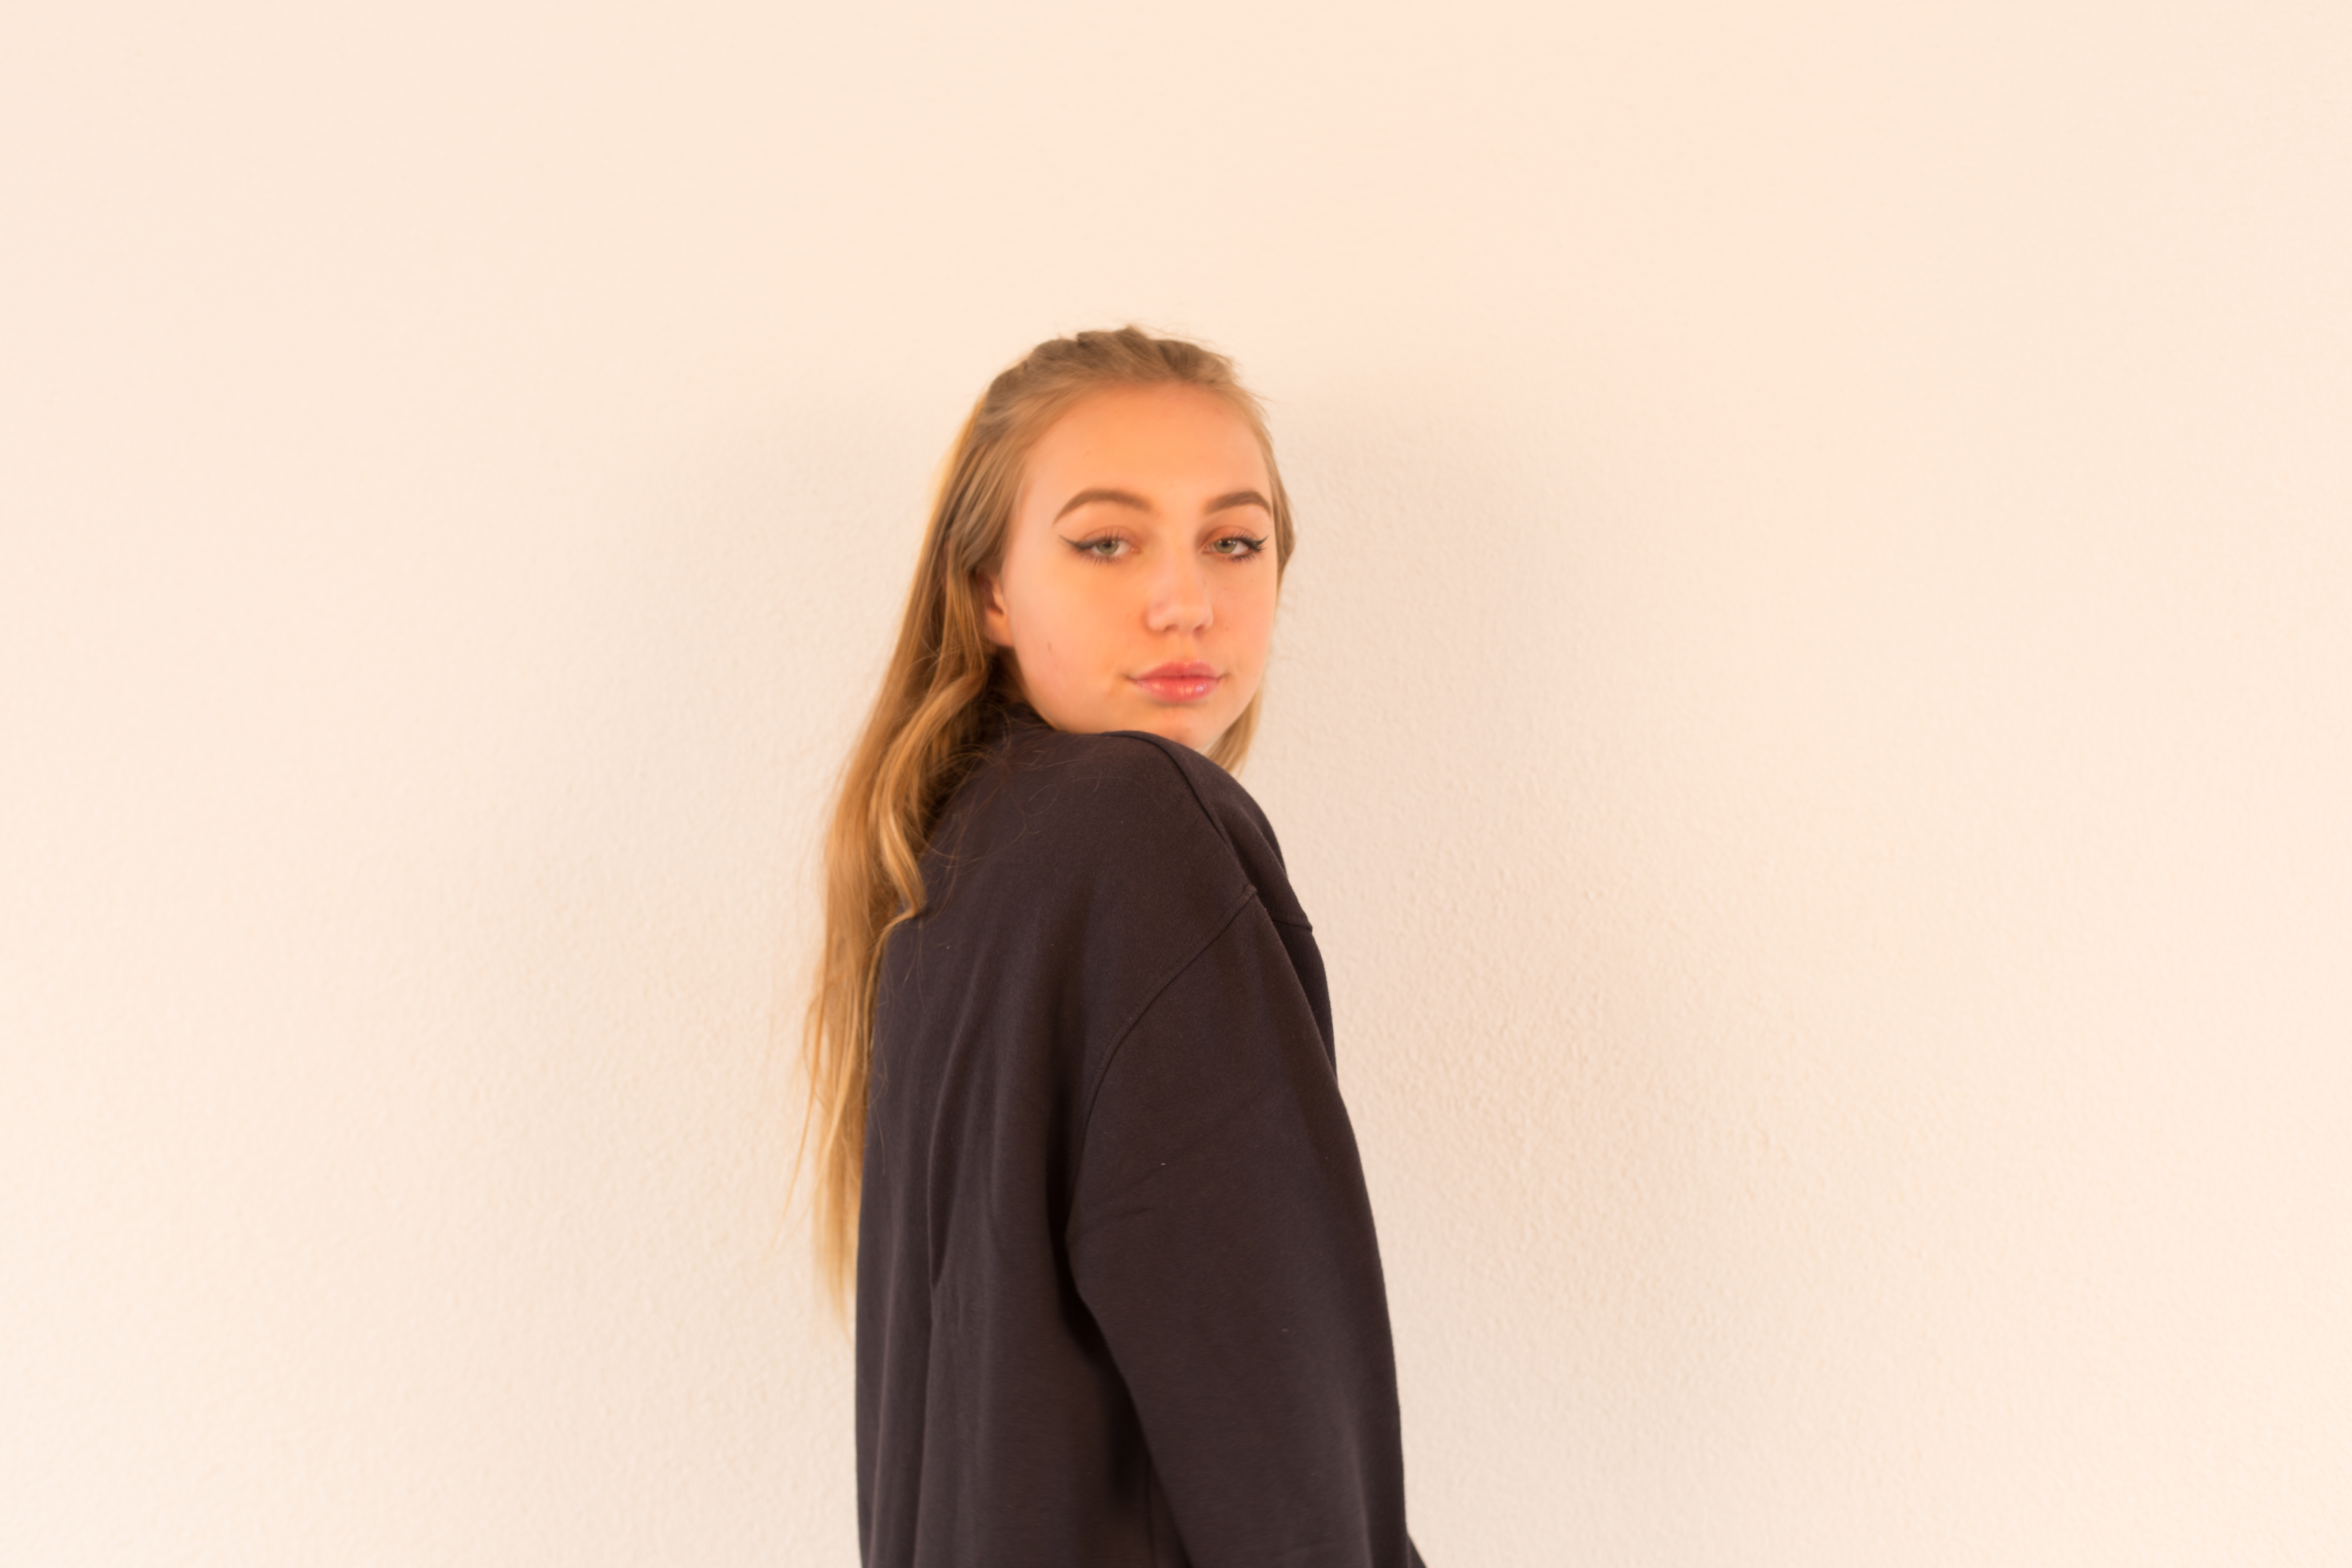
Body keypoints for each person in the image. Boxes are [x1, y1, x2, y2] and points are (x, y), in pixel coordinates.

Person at [798, 325, 1428, 1567]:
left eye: (1234, 542)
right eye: (1106, 542)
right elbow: (1277, 1430)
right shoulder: (1140, 832)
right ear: (989, 588)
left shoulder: (953, 870)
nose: (1186, 601)